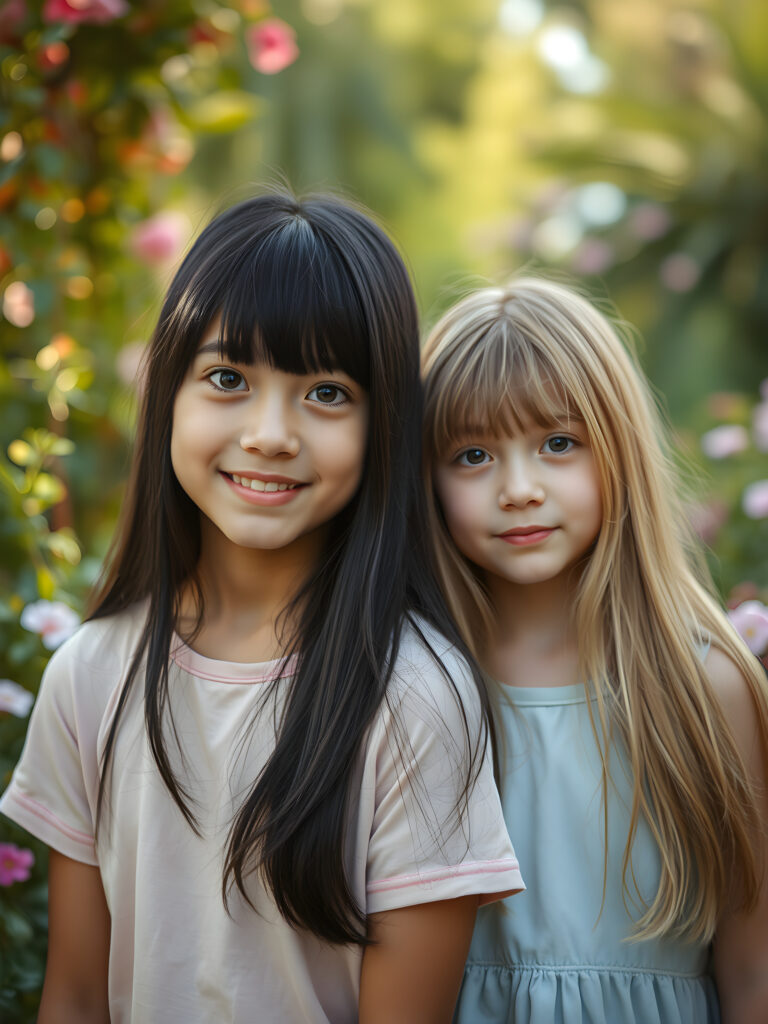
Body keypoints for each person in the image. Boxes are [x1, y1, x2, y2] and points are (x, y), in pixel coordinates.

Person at [0, 191, 524, 1024]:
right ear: (167, 393)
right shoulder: (91, 676)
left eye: (325, 393)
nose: (271, 432)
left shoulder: (415, 697)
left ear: (382, 425)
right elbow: (71, 997)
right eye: (227, 378)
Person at [421, 276, 768, 1024]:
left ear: (620, 447)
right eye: (473, 454)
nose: (518, 488)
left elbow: (752, 966)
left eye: (557, 443)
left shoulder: (705, 685)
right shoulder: (416, 686)